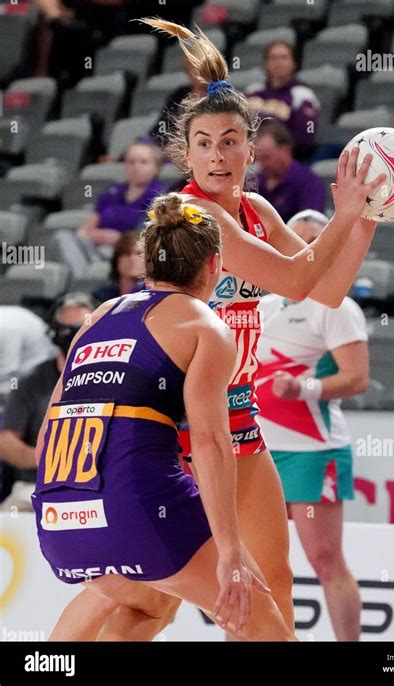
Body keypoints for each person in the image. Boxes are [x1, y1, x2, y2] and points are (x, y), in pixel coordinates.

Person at [49, 17, 385, 642]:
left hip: (239, 417)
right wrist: (342, 215)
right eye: (203, 143)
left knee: (270, 581)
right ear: (187, 154)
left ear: (249, 149)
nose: (216, 155)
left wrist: (364, 218)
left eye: (229, 141)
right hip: (175, 420)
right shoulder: (194, 212)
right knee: (141, 596)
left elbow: (324, 290)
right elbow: (293, 278)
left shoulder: (256, 209)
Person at [33, 193, 296, 642]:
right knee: (267, 627)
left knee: (150, 604)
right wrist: (231, 550)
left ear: (146, 266)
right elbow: (212, 444)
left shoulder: (96, 319)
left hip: (58, 521)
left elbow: (45, 439)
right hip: (136, 510)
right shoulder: (204, 325)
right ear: (214, 265)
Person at [256, 209, 369, 641]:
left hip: (312, 450)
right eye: (294, 240)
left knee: (325, 560)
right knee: (256, 566)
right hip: (259, 449)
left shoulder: (336, 306)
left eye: (312, 242)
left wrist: (303, 389)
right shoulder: (263, 305)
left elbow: (356, 378)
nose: (302, 251)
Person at [0, 294, 94, 512]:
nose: (74, 335)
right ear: (53, 333)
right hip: (35, 485)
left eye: (82, 327)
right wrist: (51, 461)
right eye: (67, 330)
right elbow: (6, 442)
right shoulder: (32, 381)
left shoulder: (113, 376)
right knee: (11, 514)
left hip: (96, 484)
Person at [77, 141, 165, 247]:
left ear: (156, 167)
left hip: (133, 254)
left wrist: (119, 240)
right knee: (63, 237)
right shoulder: (112, 192)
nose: (136, 167)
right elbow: (83, 232)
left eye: (143, 162)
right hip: (95, 248)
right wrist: (102, 237)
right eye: (131, 162)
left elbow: (148, 239)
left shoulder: (161, 197)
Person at [246, 40, 320, 162]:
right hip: (250, 157)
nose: (278, 63)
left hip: (286, 160)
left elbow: (304, 139)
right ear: (266, 63)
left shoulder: (303, 94)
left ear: (294, 63)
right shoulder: (253, 91)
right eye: (273, 58)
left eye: (284, 58)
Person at [256, 120, 326, 223]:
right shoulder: (256, 182)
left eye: (267, 158)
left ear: (286, 152)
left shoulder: (309, 183)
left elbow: (309, 225)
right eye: (259, 159)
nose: (263, 164)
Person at [93, 231, 144, 303]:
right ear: (117, 259)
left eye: (139, 254)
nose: (132, 259)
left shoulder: (155, 296)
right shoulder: (100, 295)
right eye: (126, 253)